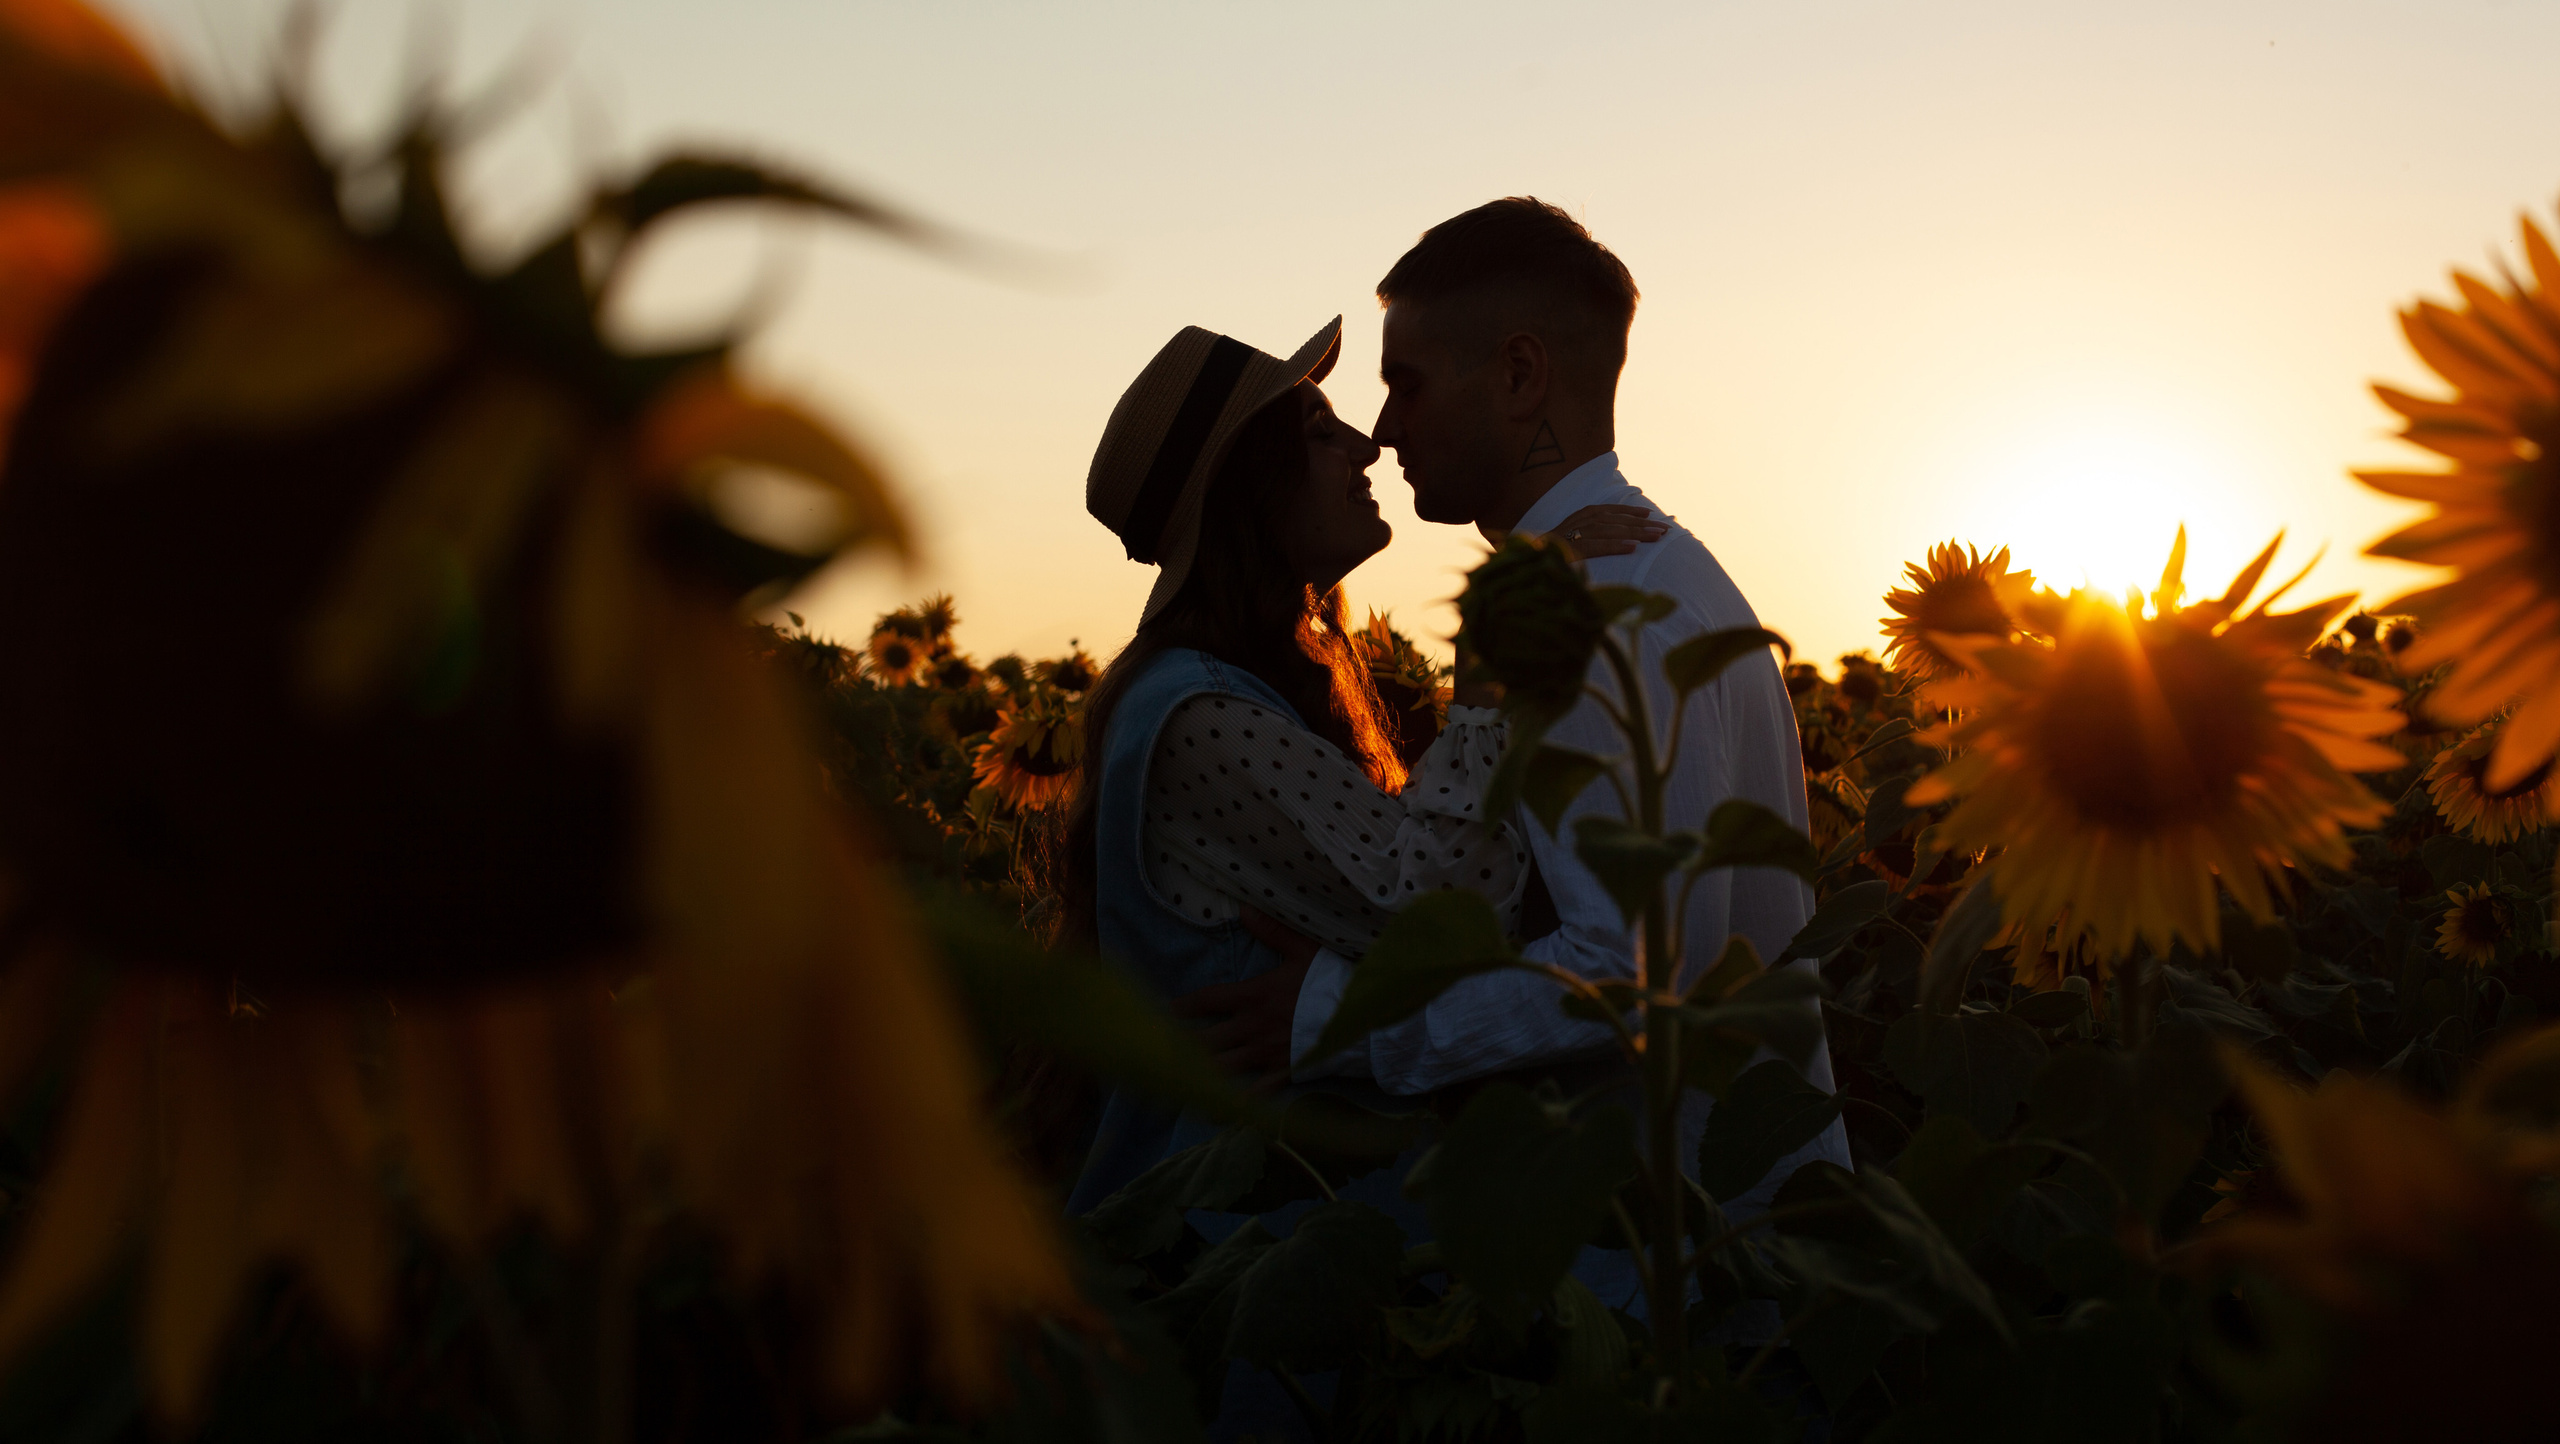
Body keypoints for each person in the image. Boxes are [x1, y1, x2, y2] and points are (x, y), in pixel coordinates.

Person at [1184, 198, 1854, 1280]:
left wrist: (1348, 1022)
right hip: (1720, 1235)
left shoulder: (1592, 605)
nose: (1385, 427)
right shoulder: (1649, 568)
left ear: (1518, 376)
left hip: (1673, 1265)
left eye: (1403, 380)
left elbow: (1630, 970)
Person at [1061, 316, 1658, 1218]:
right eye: (1317, 429)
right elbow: (1447, 920)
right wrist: (1486, 673)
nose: (1366, 443)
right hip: (1244, 1255)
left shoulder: (1219, 692)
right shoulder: (1200, 716)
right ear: (1247, 495)